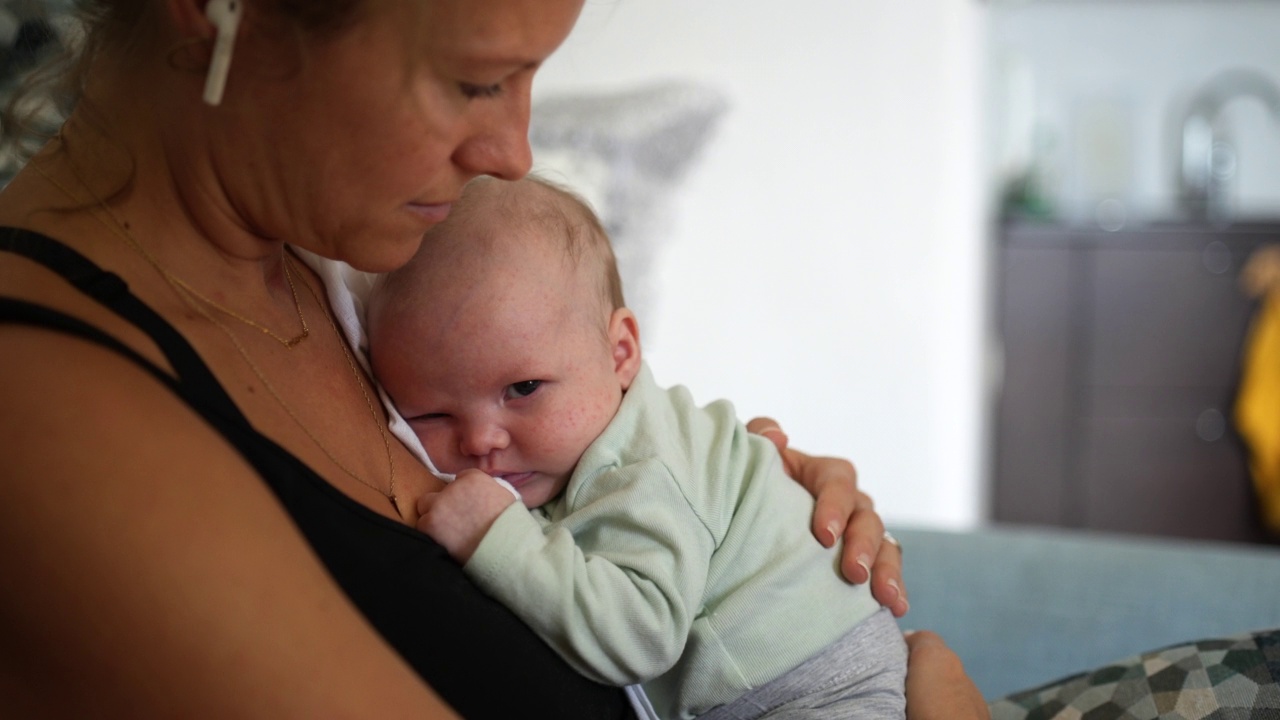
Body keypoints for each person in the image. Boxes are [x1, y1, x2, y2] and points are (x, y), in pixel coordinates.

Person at [0, 1, 989, 718]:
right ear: (224, 15)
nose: (515, 150)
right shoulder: (46, 411)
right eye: (476, 80)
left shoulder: (341, 280)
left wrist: (753, 498)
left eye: (530, 80)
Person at [365, 175, 908, 720]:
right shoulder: (582, 448)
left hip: (817, 687)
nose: (481, 440)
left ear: (620, 352)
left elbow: (641, 636)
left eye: (524, 389)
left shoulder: (642, 469)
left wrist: (495, 537)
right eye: (432, 414)